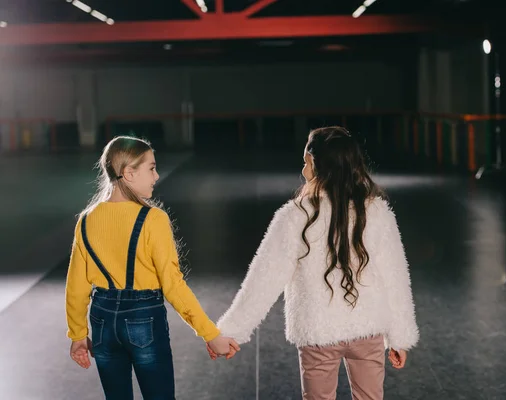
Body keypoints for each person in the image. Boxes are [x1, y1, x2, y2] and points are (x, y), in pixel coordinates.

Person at [210, 126, 419, 399]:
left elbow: (264, 278)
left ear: (316, 164)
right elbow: (396, 278)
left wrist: (230, 331)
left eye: (306, 161)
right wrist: (400, 337)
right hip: (368, 330)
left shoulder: (295, 216)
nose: (303, 168)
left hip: (318, 332)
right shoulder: (377, 212)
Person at [65, 135, 240, 399]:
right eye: (151, 168)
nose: (156, 176)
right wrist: (210, 334)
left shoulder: (87, 220)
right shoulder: (153, 220)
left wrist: (78, 335)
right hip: (143, 319)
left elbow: (76, 287)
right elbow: (173, 285)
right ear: (129, 173)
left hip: (101, 321)